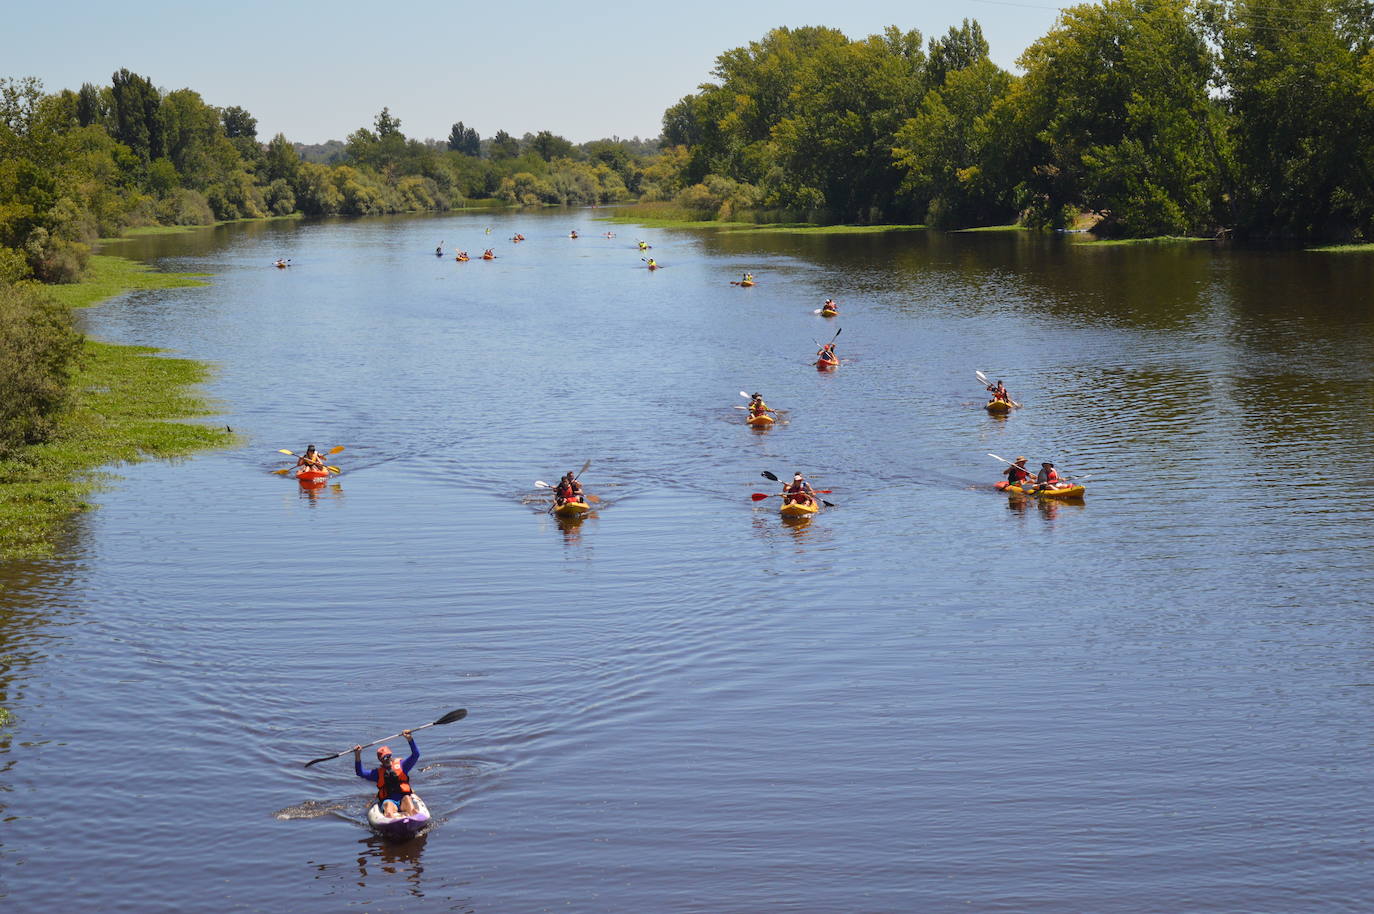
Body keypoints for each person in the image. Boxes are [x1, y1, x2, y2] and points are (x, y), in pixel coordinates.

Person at [354, 730, 419, 817]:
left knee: (407, 799)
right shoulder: (377, 773)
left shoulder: (402, 765)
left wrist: (410, 739)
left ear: (391, 756)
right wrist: (357, 755)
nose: (387, 759)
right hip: (389, 801)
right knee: (388, 806)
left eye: (388, 756)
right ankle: (391, 819)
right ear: (380, 760)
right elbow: (360, 772)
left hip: (403, 798)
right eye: (384, 758)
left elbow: (416, 755)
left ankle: (414, 817)